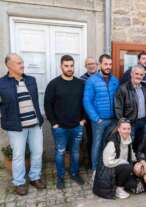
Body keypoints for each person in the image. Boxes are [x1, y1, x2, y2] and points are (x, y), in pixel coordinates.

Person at [0, 53, 45, 195]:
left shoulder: (31, 80)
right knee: (18, 155)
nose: (22, 65)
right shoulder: (2, 83)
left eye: (22, 62)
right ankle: (19, 183)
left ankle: (34, 177)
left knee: (37, 152)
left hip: (35, 124)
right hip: (16, 127)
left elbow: (35, 101)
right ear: (9, 65)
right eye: (19, 63)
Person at [44, 55, 86, 189]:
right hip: (60, 127)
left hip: (77, 126)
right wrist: (53, 123)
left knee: (75, 152)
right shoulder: (53, 84)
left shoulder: (80, 83)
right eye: (66, 66)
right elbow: (47, 105)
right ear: (61, 66)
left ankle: (74, 173)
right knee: (60, 152)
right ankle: (60, 177)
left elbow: (85, 102)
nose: (69, 68)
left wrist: (83, 119)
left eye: (71, 66)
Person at [83, 54, 120, 171]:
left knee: (111, 145)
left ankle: (107, 168)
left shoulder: (115, 80)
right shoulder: (91, 81)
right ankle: (95, 170)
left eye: (110, 64)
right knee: (97, 145)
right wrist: (96, 118)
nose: (108, 67)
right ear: (100, 65)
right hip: (99, 121)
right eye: (105, 64)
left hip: (113, 120)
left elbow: (118, 100)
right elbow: (87, 101)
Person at [93, 118, 138, 199]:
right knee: (127, 167)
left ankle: (120, 182)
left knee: (133, 184)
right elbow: (107, 162)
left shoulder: (128, 138)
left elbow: (131, 153)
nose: (127, 131)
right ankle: (119, 189)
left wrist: (137, 162)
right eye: (124, 129)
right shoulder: (112, 142)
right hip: (109, 170)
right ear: (119, 129)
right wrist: (123, 162)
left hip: (120, 168)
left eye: (128, 129)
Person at [115, 65, 146, 152]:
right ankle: (128, 165)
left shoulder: (145, 88)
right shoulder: (123, 88)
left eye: (141, 74)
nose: (139, 76)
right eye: (136, 74)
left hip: (144, 123)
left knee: (141, 146)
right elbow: (118, 107)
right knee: (128, 147)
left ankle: (138, 163)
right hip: (130, 123)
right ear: (131, 74)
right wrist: (122, 124)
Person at [80, 56, 98, 169]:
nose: (91, 66)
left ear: (97, 64)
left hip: (102, 114)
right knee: (90, 139)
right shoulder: (81, 80)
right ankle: (91, 161)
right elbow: (80, 98)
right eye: (88, 64)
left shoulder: (103, 77)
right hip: (88, 115)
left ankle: (101, 160)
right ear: (85, 66)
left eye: (93, 63)